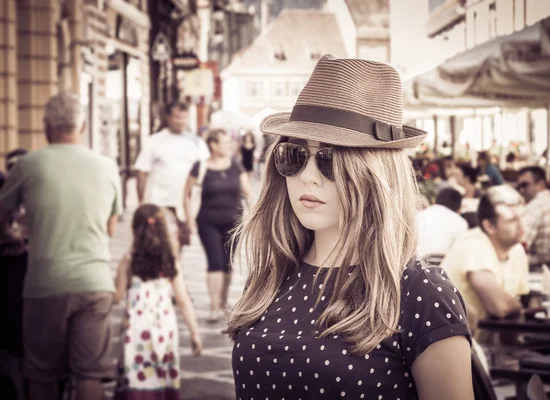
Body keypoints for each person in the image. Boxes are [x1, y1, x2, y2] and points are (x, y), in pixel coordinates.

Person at [226, 55, 473, 400]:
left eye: (328, 160)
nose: (307, 176)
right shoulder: (270, 277)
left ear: (374, 175)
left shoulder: (420, 292)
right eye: (294, 156)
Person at [0, 92, 122, 400]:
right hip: (95, 282)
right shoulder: (107, 167)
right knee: (90, 375)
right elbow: (110, 227)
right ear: (81, 126)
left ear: (45, 127)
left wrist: (14, 236)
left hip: (46, 284)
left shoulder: (27, 165)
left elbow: (1, 219)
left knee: (42, 375)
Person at [113, 204, 202, 399]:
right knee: (160, 376)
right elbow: (183, 299)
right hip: (163, 329)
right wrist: (194, 332)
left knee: (136, 375)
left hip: (136, 330)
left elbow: (117, 296)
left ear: (135, 230)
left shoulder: (128, 260)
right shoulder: (170, 260)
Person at [440, 186, 529, 341]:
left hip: (485, 345)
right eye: (512, 220)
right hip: (452, 346)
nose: (522, 226)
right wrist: (518, 307)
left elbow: (514, 306)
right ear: (489, 226)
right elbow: (501, 307)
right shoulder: (474, 245)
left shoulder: (516, 251)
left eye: (522, 217)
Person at [183, 129, 252, 323]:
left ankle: (223, 302)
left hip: (234, 223)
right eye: (224, 142)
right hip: (208, 222)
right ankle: (214, 307)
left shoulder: (235, 165)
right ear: (213, 145)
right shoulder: (201, 166)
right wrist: (189, 219)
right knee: (215, 263)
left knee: (227, 264)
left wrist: (255, 215)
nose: (229, 146)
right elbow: (186, 194)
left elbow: (247, 192)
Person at [134, 102, 210, 253]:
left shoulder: (197, 143)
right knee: (159, 246)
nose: (181, 121)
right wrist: (142, 202)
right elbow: (142, 172)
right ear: (168, 118)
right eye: (177, 117)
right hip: (159, 203)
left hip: (184, 207)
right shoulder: (154, 141)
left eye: (184, 117)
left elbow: (206, 170)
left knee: (178, 246)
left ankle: (174, 275)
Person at [416, 188, 468, 257]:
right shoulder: (460, 222)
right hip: (445, 264)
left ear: (436, 200)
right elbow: (461, 251)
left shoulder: (419, 215)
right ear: (459, 206)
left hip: (416, 263)